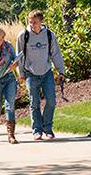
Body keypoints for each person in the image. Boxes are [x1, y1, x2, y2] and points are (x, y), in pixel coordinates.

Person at [16, 10, 65, 140]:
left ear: (41, 21)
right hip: (30, 73)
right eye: (30, 22)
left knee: (51, 101)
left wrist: (61, 71)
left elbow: (55, 53)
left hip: (46, 72)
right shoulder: (23, 35)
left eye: (35, 22)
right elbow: (19, 57)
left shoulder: (49, 35)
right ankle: (37, 130)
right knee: (34, 103)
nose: (32, 25)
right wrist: (21, 73)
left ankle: (47, 127)